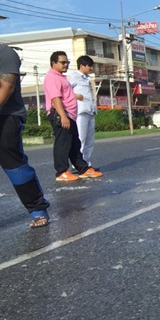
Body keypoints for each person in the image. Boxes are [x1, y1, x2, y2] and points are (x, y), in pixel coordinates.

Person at [0, 43, 50, 228]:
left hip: (7, 115)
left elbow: (7, 86)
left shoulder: (5, 53)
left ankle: (37, 209)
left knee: (13, 163)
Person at [43, 51, 103, 181]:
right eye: (63, 62)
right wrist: (63, 116)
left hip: (69, 114)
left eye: (67, 62)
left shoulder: (61, 77)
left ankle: (82, 168)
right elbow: (55, 99)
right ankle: (61, 172)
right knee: (63, 144)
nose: (66, 65)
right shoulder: (52, 77)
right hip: (60, 114)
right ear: (54, 63)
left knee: (74, 143)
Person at [68, 55, 97, 167]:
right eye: (89, 66)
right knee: (81, 139)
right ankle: (77, 164)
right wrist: (75, 95)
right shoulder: (73, 76)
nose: (91, 68)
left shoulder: (87, 78)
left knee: (90, 141)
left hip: (90, 111)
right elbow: (65, 90)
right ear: (81, 66)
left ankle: (86, 163)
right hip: (80, 112)